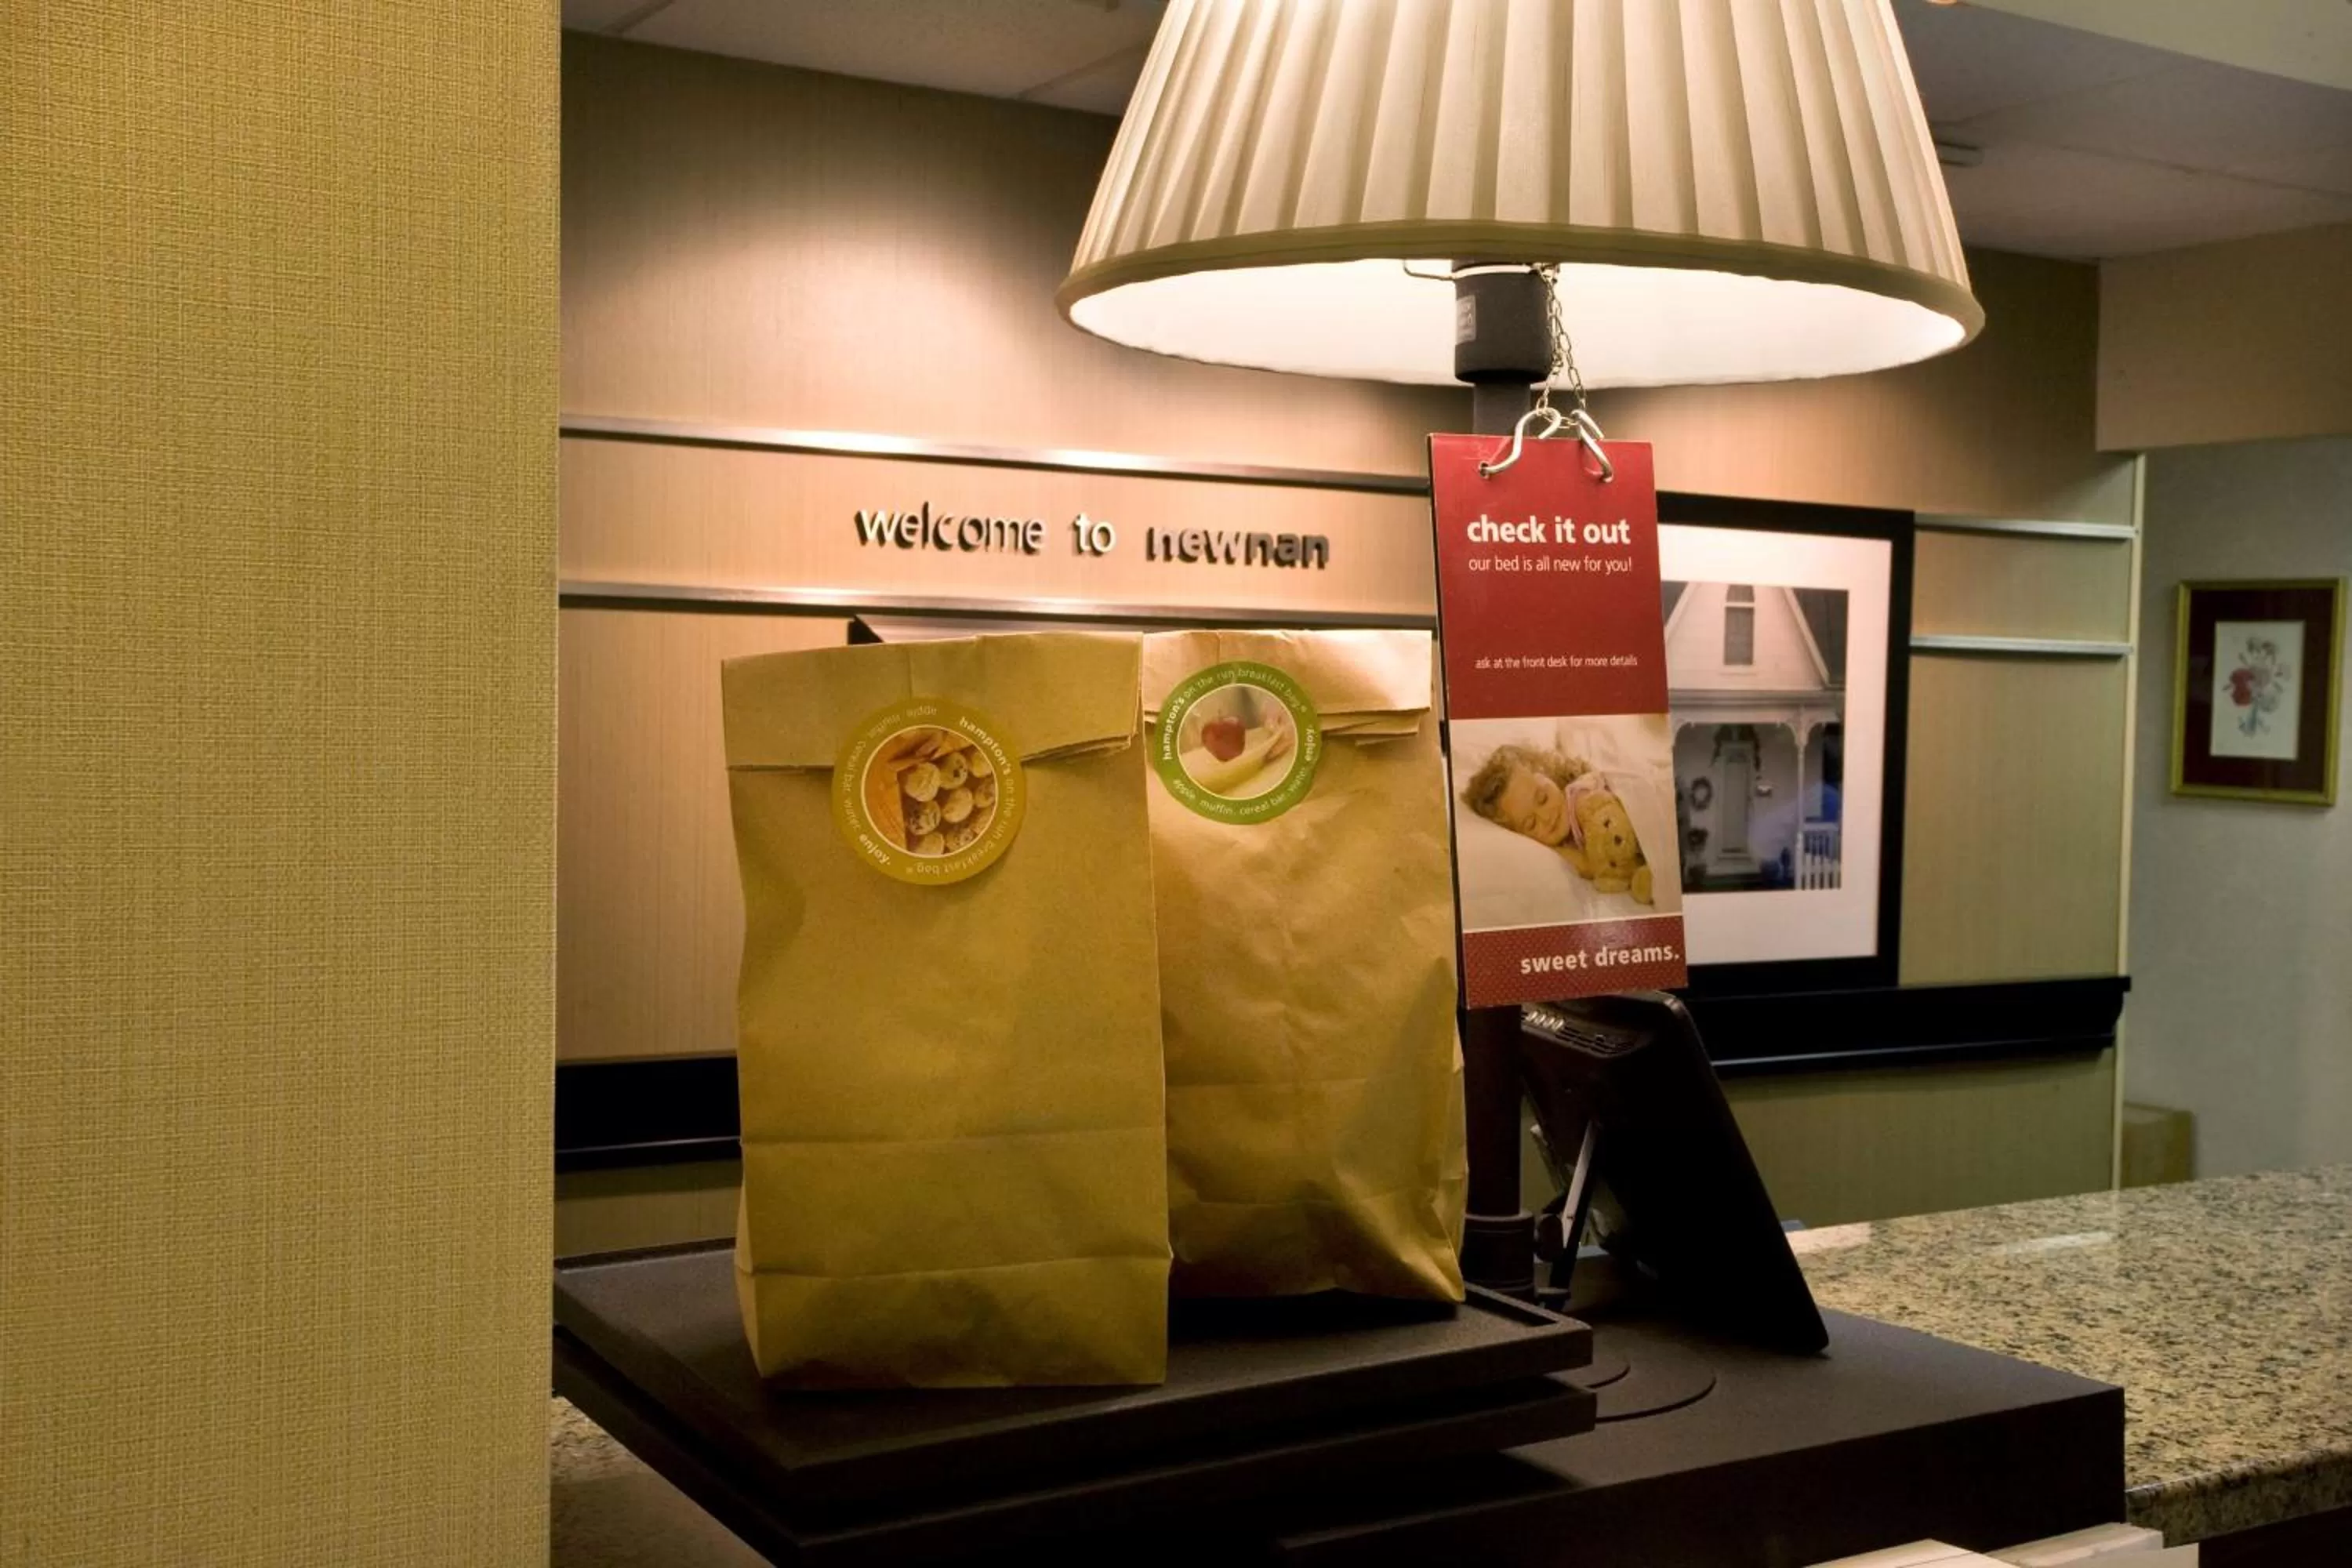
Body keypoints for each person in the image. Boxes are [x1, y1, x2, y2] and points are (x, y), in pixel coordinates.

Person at [1460, 743, 1594, 848]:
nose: (1546, 817)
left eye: (1543, 799)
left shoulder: (1581, 796)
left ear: (1548, 774)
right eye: (1531, 824)